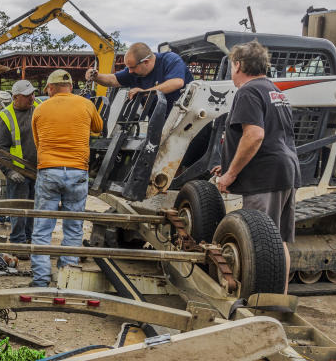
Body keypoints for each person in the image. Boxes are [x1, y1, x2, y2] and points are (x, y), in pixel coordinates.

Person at [211, 40, 301, 293]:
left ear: (238, 65)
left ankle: (260, 300)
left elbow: (255, 135)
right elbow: (272, 136)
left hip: (265, 177)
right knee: (277, 239)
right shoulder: (275, 91)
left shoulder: (248, 91)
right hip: (285, 171)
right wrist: (227, 164)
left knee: (259, 239)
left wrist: (230, 174)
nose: (231, 72)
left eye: (231, 65)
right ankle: (278, 297)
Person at [30, 70, 103, 286]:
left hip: (49, 170)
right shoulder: (85, 105)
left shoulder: (40, 109)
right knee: (73, 227)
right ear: (70, 87)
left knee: (42, 228)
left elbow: (37, 143)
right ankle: (67, 279)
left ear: (50, 88)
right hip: (78, 171)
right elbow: (98, 129)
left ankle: (41, 280)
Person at [0, 79, 38, 248]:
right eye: (27, 96)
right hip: (18, 172)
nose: (32, 98)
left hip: (36, 170)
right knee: (19, 210)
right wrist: (10, 172)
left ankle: (29, 238)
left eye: (33, 94)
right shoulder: (5, 117)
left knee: (33, 208)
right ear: (16, 97)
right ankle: (18, 242)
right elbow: (0, 150)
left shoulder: (38, 109)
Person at [86, 42, 193, 107]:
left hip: (185, 120)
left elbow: (177, 82)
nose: (130, 71)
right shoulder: (133, 71)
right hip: (159, 121)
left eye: (132, 67)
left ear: (146, 62)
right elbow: (113, 80)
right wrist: (96, 76)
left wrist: (144, 92)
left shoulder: (170, 60)